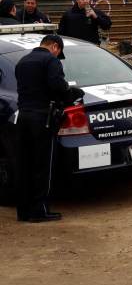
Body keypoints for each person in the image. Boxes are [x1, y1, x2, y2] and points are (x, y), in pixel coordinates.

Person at [15, 34, 84, 222]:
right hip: (42, 118)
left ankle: (23, 210)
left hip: (23, 117)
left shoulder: (23, 61)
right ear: (55, 46)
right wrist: (71, 93)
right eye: (59, 52)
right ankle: (39, 210)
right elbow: (57, 85)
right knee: (43, 166)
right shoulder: (50, 61)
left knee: (25, 165)